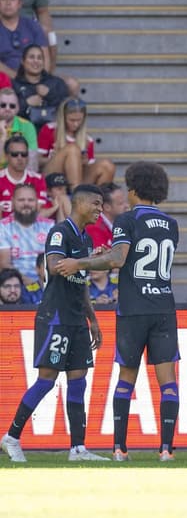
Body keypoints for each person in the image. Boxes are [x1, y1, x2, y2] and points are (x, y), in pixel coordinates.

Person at [54, 162, 181, 462]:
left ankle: (119, 449)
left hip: (134, 309)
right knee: (169, 383)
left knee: (126, 379)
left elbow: (120, 259)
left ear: (134, 190)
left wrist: (80, 263)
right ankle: (166, 450)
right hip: (164, 307)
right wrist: (107, 254)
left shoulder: (126, 219)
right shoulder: (172, 224)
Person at [0, 184, 107, 463]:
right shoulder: (59, 232)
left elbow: (80, 281)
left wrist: (92, 318)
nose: (100, 209)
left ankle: (78, 449)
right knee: (47, 380)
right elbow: (56, 266)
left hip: (76, 318)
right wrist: (89, 261)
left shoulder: (85, 239)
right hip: (55, 316)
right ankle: (11, 437)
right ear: (80, 203)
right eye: (96, 203)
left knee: (78, 381)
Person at [39, 98, 116, 192]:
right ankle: (77, 195)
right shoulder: (49, 129)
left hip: (79, 177)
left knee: (107, 165)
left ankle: (99, 200)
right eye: (72, 120)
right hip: (53, 176)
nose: (76, 124)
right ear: (63, 117)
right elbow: (37, 161)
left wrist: (84, 163)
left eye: (79, 120)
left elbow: (90, 168)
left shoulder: (87, 140)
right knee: (73, 149)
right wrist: (54, 157)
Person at [0, 183, 53, 283]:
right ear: (12, 201)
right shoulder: (3, 227)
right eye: (21, 200)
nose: (26, 204)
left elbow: (56, 258)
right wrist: (30, 283)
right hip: (16, 284)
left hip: (47, 282)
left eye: (30, 200)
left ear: (37, 202)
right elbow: (4, 264)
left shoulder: (49, 226)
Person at [12, 44, 67, 130]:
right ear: (22, 61)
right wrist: (26, 103)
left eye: (39, 58)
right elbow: (6, 112)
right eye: (31, 57)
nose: (36, 61)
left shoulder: (57, 83)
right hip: (22, 134)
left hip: (53, 134)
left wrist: (50, 95)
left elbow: (67, 110)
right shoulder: (14, 85)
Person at [84, 182, 129, 253]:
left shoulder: (125, 221)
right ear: (107, 207)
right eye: (121, 203)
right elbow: (100, 258)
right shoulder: (94, 227)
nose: (127, 206)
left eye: (126, 201)